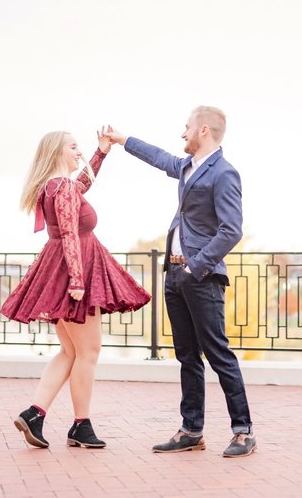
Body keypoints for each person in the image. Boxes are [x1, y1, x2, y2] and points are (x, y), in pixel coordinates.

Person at [104, 106, 256, 458]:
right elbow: (158, 157)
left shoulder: (225, 173)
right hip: (174, 275)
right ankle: (191, 430)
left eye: (186, 127)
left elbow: (231, 230)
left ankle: (243, 431)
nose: (182, 132)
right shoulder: (187, 167)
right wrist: (122, 138)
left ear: (203, 130)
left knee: (218, 354)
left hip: (200, 276)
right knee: (187, 355)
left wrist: (196, 267)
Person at [1, 129, 151, 450]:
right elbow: (70, 233)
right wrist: (78, 282)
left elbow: (84, 184)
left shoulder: (57, 186)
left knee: (70, 351)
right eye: (73, 147)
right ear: (57, 152)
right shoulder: (62, 186)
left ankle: (34, 413)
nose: (78, 151)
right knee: (89, 352)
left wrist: (101, 152)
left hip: (60, 271)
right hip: (73, 273)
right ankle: (80, 426)